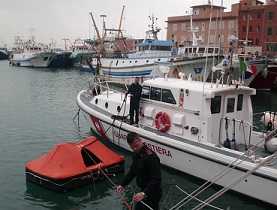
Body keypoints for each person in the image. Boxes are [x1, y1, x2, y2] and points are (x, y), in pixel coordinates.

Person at [116, 132, 162, 210]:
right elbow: (133, 171)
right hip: (143, 190)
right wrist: (122, 184)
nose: (135, 149)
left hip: (153, 192)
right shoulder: (136, 154)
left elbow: (157, 179)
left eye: (136, 146)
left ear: (140, 141)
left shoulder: (151, 157)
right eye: (132, 147)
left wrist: (144, 193)